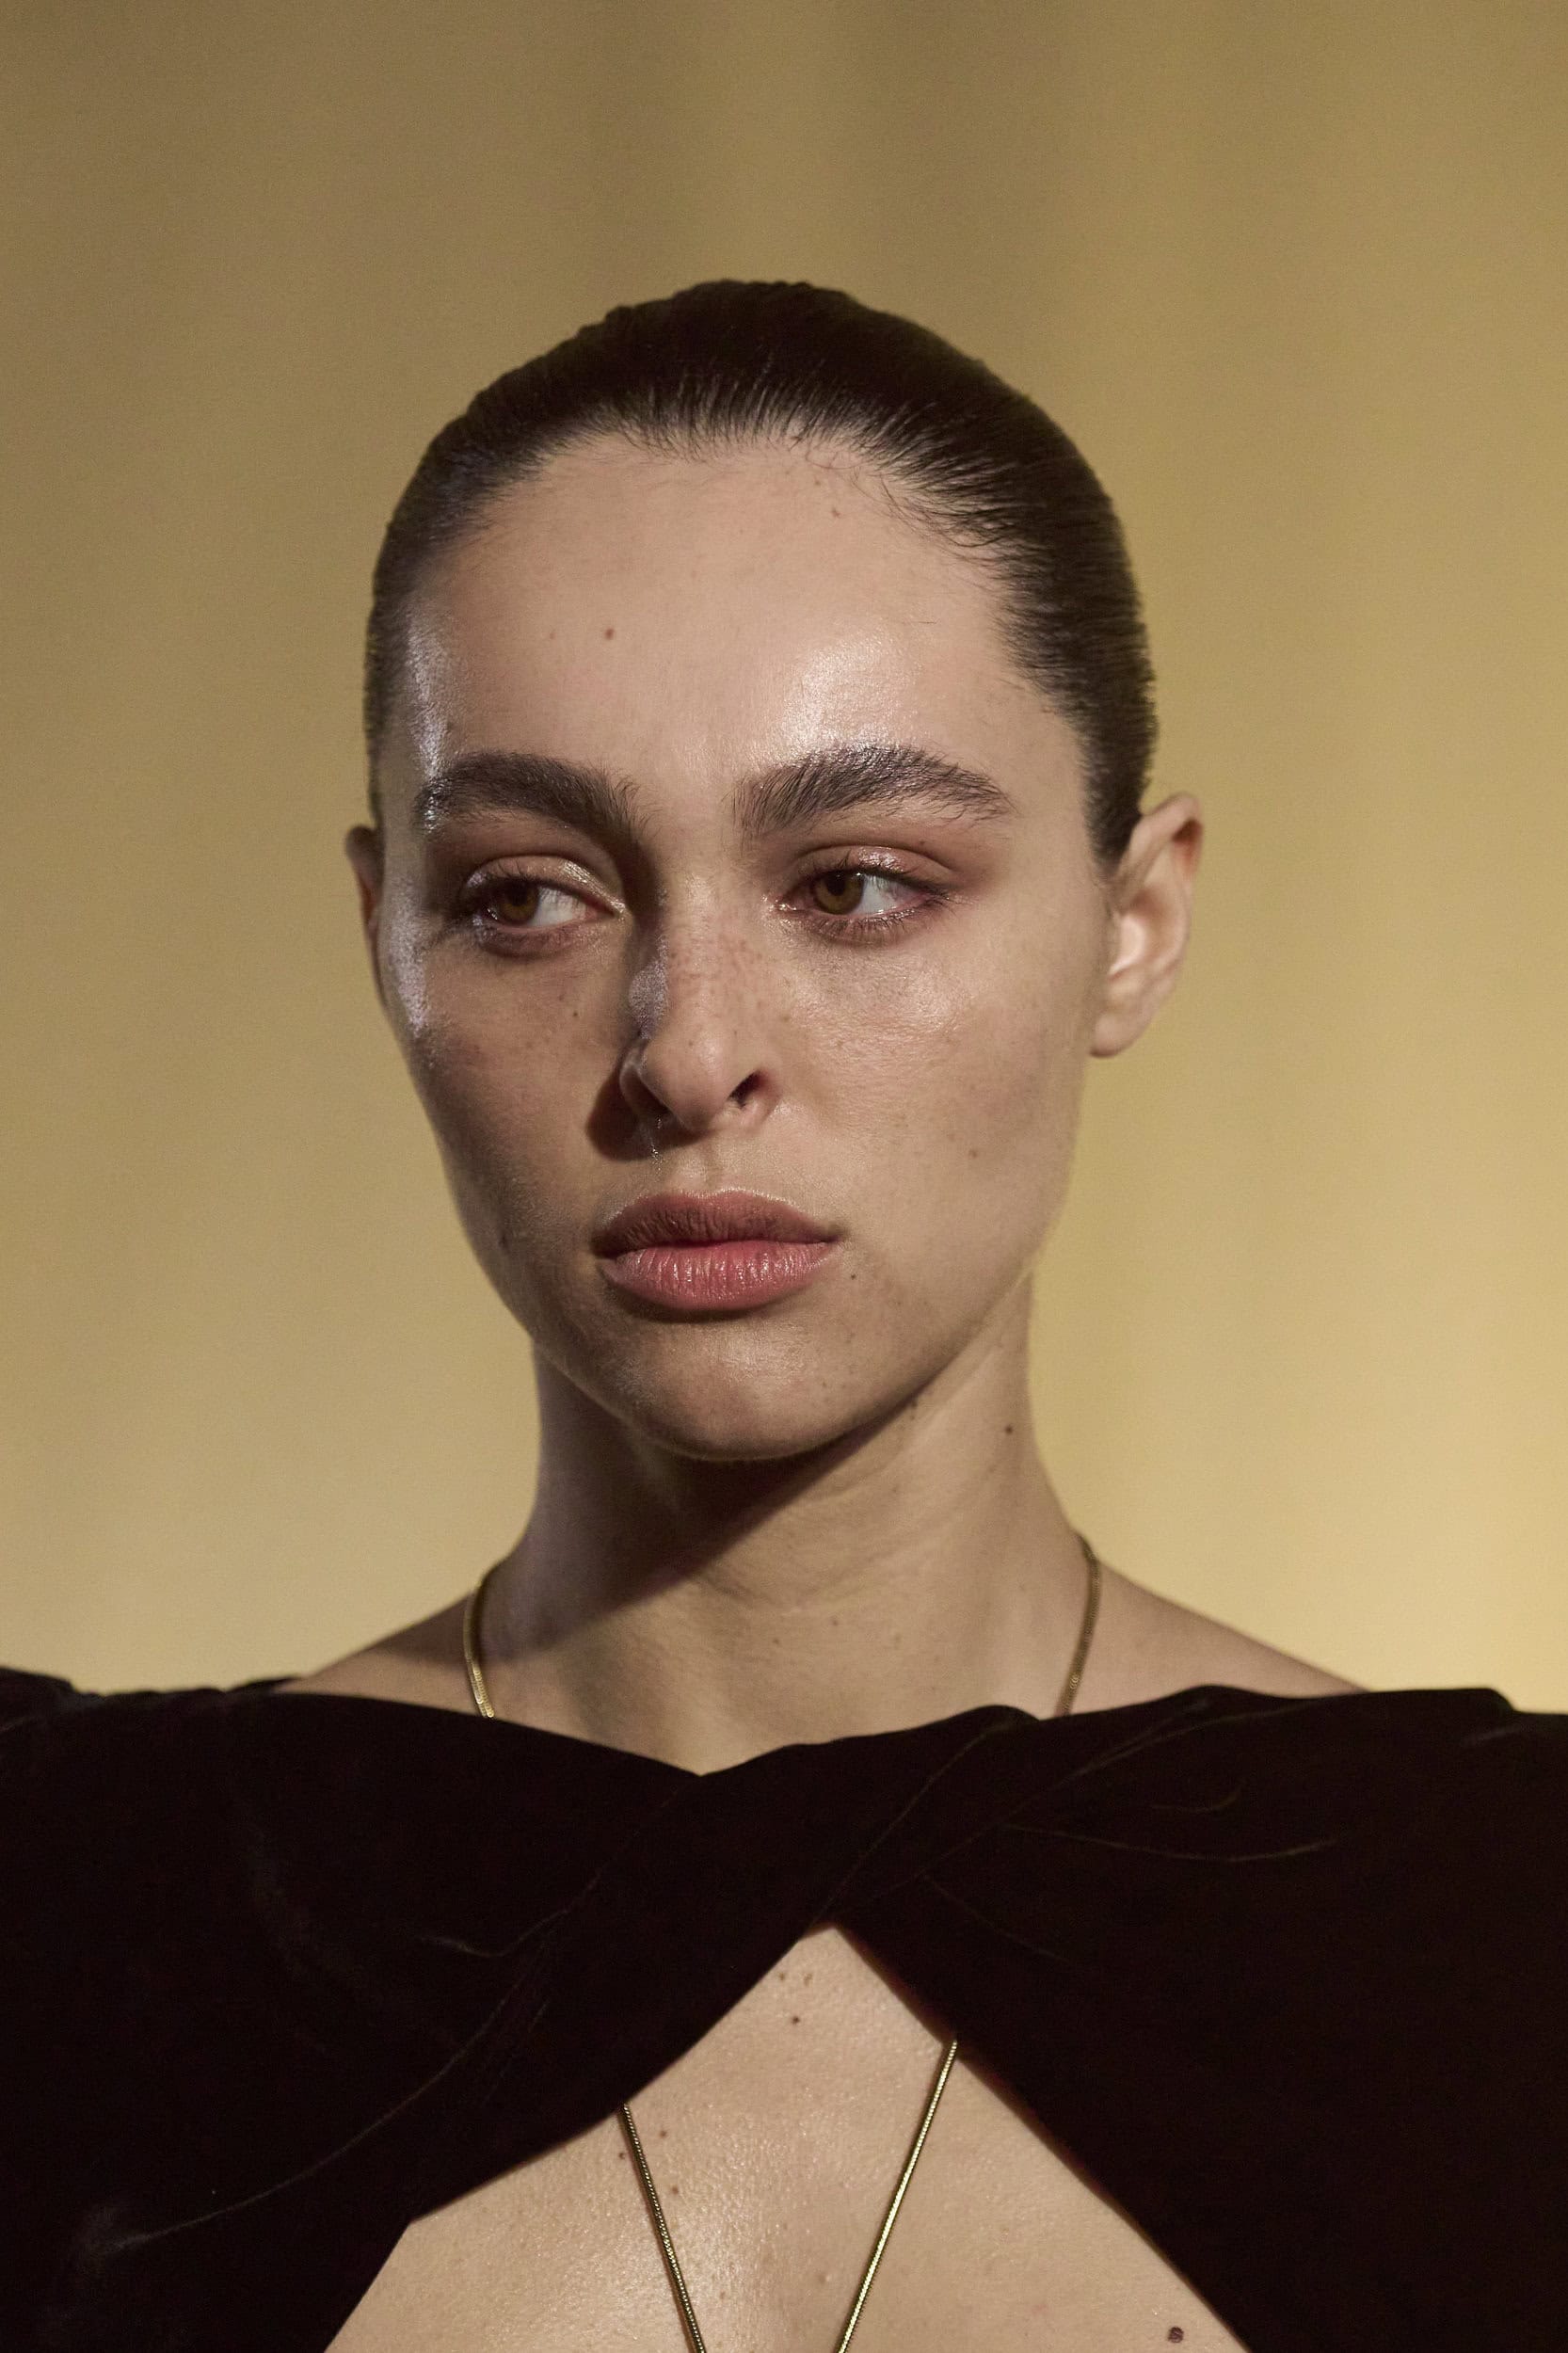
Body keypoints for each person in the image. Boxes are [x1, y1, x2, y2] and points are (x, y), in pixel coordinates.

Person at [2, 281, 1562, 2353]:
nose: (685, 1049)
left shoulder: (1507, 1932)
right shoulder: (64, 1914)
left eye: (856, 883)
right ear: (382, 938)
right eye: (525, 896)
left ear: (1133, 920)